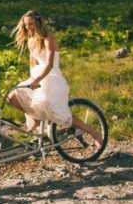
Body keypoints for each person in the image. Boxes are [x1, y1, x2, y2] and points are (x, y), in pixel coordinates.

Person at [7, 10, 102, 147]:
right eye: (26, 25)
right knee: (13, 96)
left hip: (51, 77)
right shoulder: (31, 41)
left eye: (31, 24)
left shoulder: (48, 38)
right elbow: (32, 64)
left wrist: (37, 80)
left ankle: (94, 133)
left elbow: (50, 64)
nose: (28, 27)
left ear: (38, 23)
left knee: (57, 112)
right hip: (37, 76)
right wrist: (32, 80)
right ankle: (36, 119)